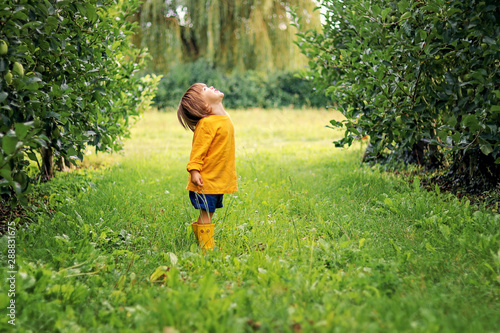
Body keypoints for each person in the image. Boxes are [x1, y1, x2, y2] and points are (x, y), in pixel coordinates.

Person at [177, 83, 238, 250]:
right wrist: (194, 171)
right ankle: (206, 248)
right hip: (206, 180)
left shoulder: (223, 118)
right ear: (203, 105)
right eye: (205, 89)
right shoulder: (207, 124)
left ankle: (199, 239)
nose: (210, 86)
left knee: (209, 213)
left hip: (216, 179)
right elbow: (198, 150)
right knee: (206, 213)